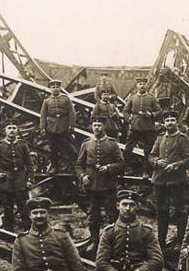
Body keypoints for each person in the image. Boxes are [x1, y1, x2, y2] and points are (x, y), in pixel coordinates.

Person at [148, 112, 189, 252]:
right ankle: (161, 243)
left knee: (181, 212)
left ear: (177, 122)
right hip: (160, 181)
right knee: (162, 212)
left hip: (177, 181)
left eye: (172, 120)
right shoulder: (160, 138)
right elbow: (151, 156)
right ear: (164, 122)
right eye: (167, 120)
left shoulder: (183, 138)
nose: (170, 123)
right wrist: (157, 161)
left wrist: (176, 165)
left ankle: (181, 242)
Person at [74, 115, 124, 247]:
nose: (97, 128)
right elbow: (78, 165)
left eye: (99, 125)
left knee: (112, 215)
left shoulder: (112, 144)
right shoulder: (86, 144)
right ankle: (94, 241)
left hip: (108, 185)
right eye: (95, 125)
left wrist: (109, 167)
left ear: (104, 126)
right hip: (92, 186)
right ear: (92, 126)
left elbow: (121, 164)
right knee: (93, 216)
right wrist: (83, 176)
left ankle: (114, 241)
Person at [0, 122, 33, 231]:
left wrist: (29, 179)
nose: (11, 130)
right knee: (7, 208)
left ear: (17, 130)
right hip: (6, 181)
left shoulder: (22, 145)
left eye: (14, 128)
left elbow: (29, 163)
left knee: (24, 207)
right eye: (9, 128)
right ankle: (8, 233)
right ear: (5, 131)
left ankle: (28, 231)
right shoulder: (0, 145)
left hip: (20, 180)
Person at [123, 76, 161, 177]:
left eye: (144, 84)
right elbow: (125, 111)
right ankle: (128, 167)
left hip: (148, 127)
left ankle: (146, 171)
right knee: (128, 149)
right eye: (140, 84)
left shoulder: (151, 98)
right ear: (137, 86)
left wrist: (151, 114)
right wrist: (129, 119)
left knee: (148, 150)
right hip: (135, 126)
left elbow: (159, 111)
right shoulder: (132, 98)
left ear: (146, 85)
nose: (142, 86)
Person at [39, 79, 78, 173]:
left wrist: (71, 125)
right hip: (51, 128)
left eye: (57, 87)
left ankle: (73, 167)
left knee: (69, 149)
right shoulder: (47, 101)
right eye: (53, 87)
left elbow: (72, 113)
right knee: (53, 149)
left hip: (64, 126)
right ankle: (54, 167)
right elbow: (43, 115)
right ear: (50, 89)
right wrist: (43, 128)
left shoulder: (66, 99)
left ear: (60, 88)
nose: (55, 89)